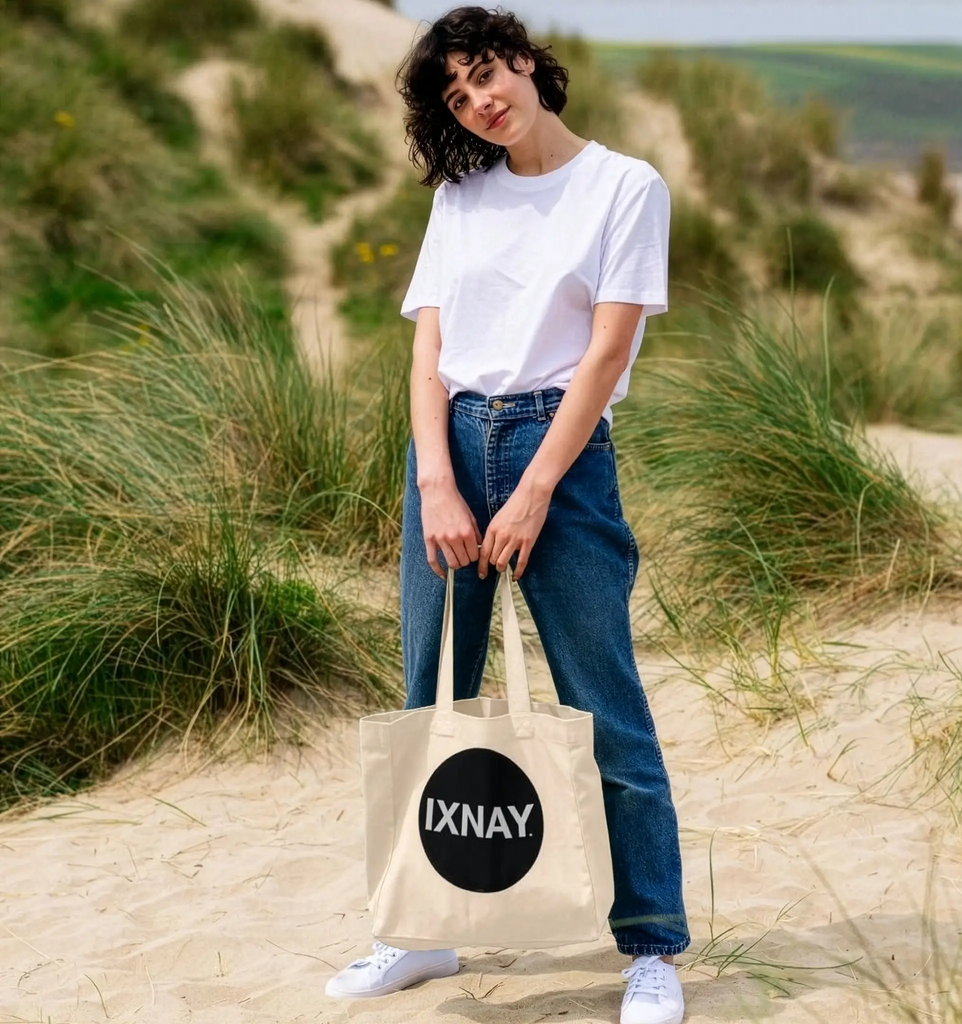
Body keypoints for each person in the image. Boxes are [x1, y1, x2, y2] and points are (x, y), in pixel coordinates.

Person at [324, 7, 690, 1022]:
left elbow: (606, 354)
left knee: (601, 702)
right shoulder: (462, 194)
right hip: (450, 446)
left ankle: (652, 948)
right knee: (427, 698)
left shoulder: (624, 185)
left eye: (486, 74)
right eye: (455, 94)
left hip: (556, 457)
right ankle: (417, 928)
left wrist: (532, 490)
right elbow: (426, 349)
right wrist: (435, 479)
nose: (479, 101)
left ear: (526, 63)